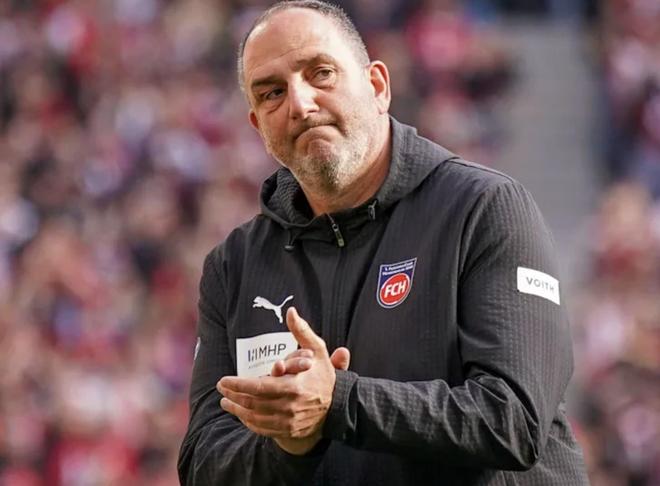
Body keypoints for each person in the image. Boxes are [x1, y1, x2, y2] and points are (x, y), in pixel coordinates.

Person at [177, 1, 589, 484]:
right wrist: (290, 446)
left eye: (321, 73)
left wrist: (339, 403)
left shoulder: (483, 209)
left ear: (377, 86)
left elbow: (514, 421)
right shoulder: (234, 266)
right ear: (258, 126)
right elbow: (203, 465)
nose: (300, 104)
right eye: (272, 93)